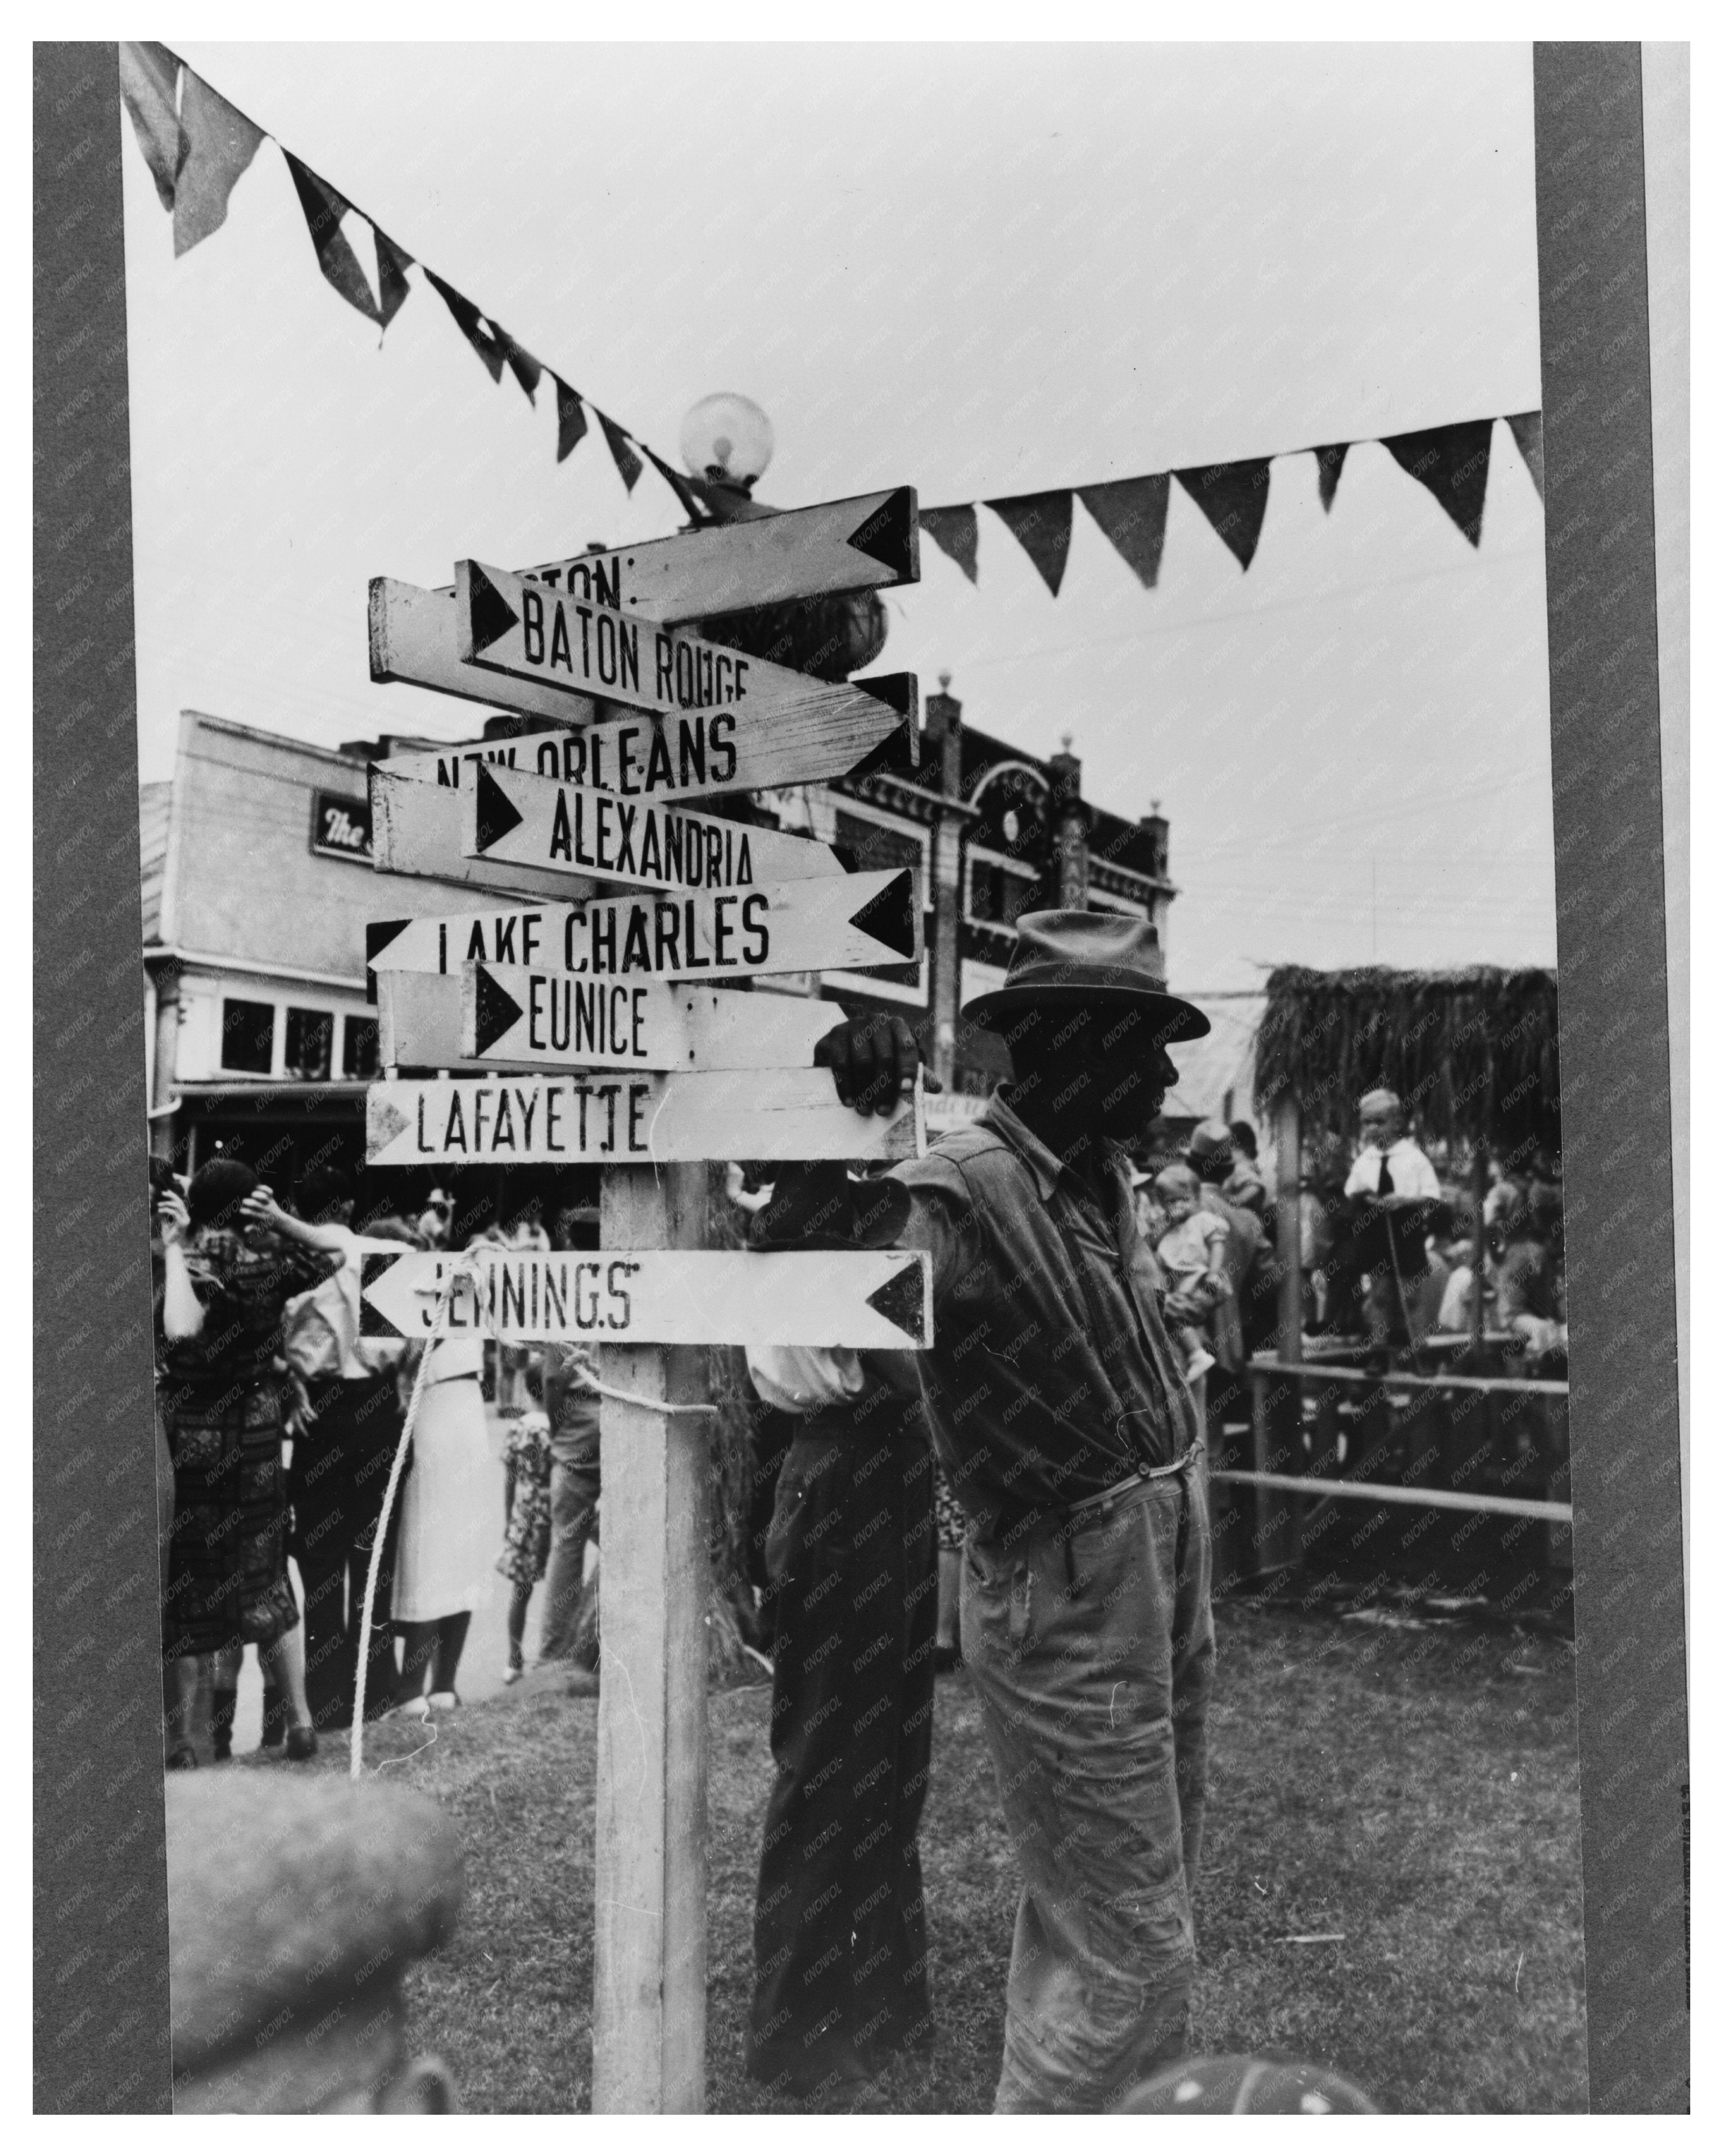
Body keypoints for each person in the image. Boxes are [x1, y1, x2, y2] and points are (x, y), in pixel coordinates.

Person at [753, 910, 1213, 2114]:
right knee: (1130, 1948)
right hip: (1067, 1568)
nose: (1166, 1076)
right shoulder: (959, 1189)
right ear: (1063, 1048)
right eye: (1143, 1047)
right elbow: (822, 1318)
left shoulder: (1095, 1176)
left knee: (1128, 1896)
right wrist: (828, 1120)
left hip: (1149, 1555)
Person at [743, 1341, 938, 2104]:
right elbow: (902, 1357)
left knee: (891, 1756)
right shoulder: (814, 1231)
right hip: (840, 1463)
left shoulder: (874, 1226)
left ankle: (881, 2004)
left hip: (889, 1459)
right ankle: (799, 2031)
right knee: (827, 1764)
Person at [156, 1159, 341, 1766]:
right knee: (266, 1576)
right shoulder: (265, 1262)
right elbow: (330, 1258)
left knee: (188, 1587)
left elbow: (179, 1332)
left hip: (192, 1436)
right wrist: (282, 1220)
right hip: (258, 1433)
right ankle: (302, 1722)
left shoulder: (186, 1260)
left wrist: (175, 1245)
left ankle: (185, 1740)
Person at [269, 1167, 409, 1735]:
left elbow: (270, 1345)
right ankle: (376, 1688)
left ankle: (326, 1696)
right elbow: (397, 1346)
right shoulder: (380, 1254)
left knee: (321, 1559)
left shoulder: (289, 1269)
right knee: (371, 1554)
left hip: (315, 1412)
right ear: (349, 1203)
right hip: (373, 1408)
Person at [390, 1278, 494, 1717]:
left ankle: (421, 1689)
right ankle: (440, 1686)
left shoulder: (452, 1281)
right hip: (457, 1408)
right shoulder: (464, 1282)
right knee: (450, 1550)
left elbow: (404, 1357)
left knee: (433, 1552)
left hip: (442, 1407)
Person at [537, 1206, 604, 1666]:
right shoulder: (629, 1281)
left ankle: (557, 1647)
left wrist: (558, 1429)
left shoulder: (565, 1291)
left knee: (567, 1539)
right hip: (622, 1410)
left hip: (579, 1419)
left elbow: (553, 1380)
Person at [1150, 1164, 1231, 1381]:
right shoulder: (1168, 1227)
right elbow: (1152, 1242)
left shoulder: (1203, 1221)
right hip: (1175, 1278)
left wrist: (1214, 1272)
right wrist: (1167, 1221)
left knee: (1175, 1312)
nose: (1178, 1206)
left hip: (1195, 1275)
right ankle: (1194, 1353)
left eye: (1184, 1200)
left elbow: (1217, 1245)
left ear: (1196, 1198)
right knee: (1174, 1312)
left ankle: (1197, 1355)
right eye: (1171, 1201)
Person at [498, 1405, 554, 1683]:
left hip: (525, 1507)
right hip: (554, 1504)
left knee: (521, 1589)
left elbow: (509, 1476)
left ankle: (513, 1659)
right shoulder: (560, 1424)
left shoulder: (519, 1427)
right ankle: (555, 1652)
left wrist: (509, 1517)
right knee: (562, 1582)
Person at [1342, 1088, 1441, 1201]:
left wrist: (1405, 1201)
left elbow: (1432, 1196)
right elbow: (1351, 1193)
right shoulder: (1364, 1160)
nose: (1372, 1128)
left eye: (1380, 1122)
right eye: (1367, 1122)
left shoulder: (1415, 1158)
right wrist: (1363, 1196)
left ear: (1397, 1124)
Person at [1222, 1120, 1269, 1218]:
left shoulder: (1239, 1168)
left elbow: (1255, 1187)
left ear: (1238, 1148)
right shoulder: (1254, 1168)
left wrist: (1223, 1198)